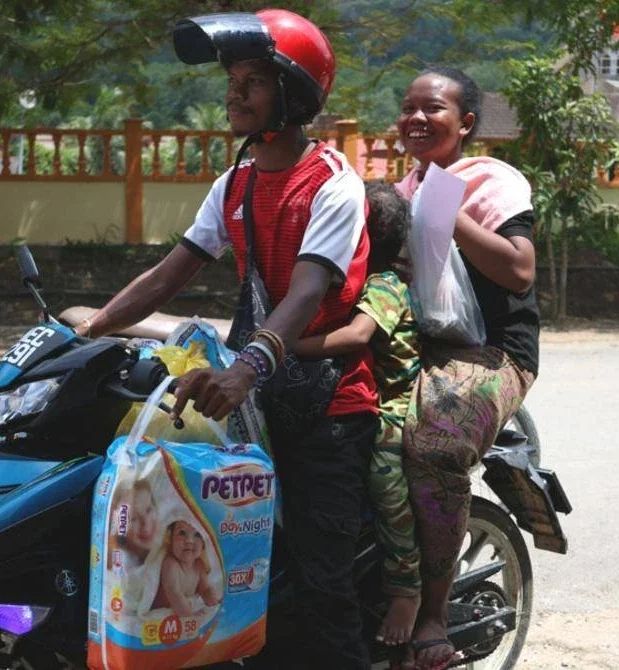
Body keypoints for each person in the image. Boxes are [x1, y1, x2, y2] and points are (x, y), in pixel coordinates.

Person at [74, 9, 378, 667]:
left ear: (292, 93)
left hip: (328, 407)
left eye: (253, 82)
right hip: (259, 405)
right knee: (249, 574)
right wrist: (92, 328)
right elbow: (172, 271)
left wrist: (244, 368)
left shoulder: (332, 183)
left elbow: (305, 293)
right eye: (232, 80)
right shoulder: (235, 181)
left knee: (325, 584)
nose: (233, 94)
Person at [394, 67, 540, 670]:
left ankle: (430, 617)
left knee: (431, 444)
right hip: (418, 345)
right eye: (408, 109)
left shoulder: (491, 182)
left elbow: (520, 270)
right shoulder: (399, 191)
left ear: (466, 124)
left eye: (433, 109)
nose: (418, 119)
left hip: (492, 352)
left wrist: (446, 210)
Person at [294, 181, 422, 648]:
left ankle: (406, 590)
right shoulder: (353, 280)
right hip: (361, 394)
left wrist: (284, 345)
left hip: (396, 400)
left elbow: (356, 336)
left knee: (386, 477)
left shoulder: (384, 285)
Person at [151, 520, 221, 616]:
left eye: (197, 535)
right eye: (182, 533)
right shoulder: (170, 564)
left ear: (204, 543)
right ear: (170, 539)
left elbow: (205, 589)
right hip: (166, 610)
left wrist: (213, 601)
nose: (189, 540)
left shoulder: (198, 565)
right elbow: (175, 595)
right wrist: (190, 617)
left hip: (183, 608)